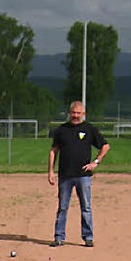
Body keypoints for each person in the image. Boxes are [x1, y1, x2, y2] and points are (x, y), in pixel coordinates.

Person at [48, 101, 109, 248]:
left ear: (83, 114)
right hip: (65, 175)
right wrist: (50, 171)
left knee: (86, 207)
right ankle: (59, 237)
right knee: (63, 207)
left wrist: (95, 162)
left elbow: (105, 146)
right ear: (69, 113)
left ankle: (88, 237)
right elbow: (53, 151)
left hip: (83, 176)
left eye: (78, 113)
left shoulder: (89, 129)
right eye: (73, 113)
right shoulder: (61, 130)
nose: (76, 116)